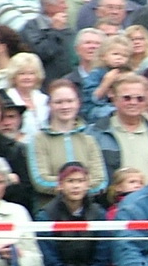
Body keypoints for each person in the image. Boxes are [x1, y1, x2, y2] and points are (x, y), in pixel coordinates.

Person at [26, 78, 106, 208]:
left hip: (86, 211)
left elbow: (100, 181)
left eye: (70, 101)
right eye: (59, 102)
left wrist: (69, 185)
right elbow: (40, 180)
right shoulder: (38, 140)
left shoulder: (89, 139)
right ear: (50, 105)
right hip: (51, 211)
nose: (65, 106)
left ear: (78, 103)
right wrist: (79, 184)